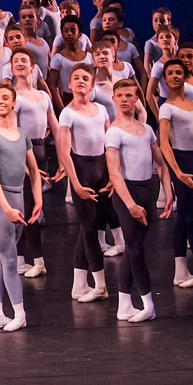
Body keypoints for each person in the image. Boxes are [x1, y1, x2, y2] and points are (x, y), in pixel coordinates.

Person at [0, 84, 41, 331]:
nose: (0, 101)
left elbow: (35, 171)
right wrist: (6, 207)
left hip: (18, 198)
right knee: (9, 260)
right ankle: (20, 313)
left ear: (14, 102)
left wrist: (38, 200)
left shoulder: (22, 133)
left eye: (5, 98)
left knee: (1, 257)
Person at [102, 79, 161, 323]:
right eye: (121, 95)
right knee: (135, 250)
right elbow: (114, 172)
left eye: (130, 95)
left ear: (137, 99)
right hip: (127, 194)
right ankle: (148, 304)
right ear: (114, 99)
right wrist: (130, 204)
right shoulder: (113, 132)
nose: (125, 99)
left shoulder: (146, 129)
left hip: (148, 190)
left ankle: (124, 304)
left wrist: (167, 191)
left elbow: (160, 162)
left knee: (134, 248)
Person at [57, 65, 112, 302]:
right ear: (69, 85)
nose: (80, 81)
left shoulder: (101, 109)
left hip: (102, 172)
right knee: (89, 229)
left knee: (90, 228)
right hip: (82, 172)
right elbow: (64, 153)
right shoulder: (67, 114)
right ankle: (100, 284)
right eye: (76, 78)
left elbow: (110, 145)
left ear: (92, 85)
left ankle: (79, 285)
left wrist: (112, 176)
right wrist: (75, 185)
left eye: (85, 78)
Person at [156, 60, 193, 287]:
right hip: (181, 164)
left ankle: (180, 271)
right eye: (170, 73)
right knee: (190, 218)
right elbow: (164, 144)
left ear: (185, 76)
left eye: (179, 72)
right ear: (166, 79)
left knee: (183, 217)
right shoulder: (166, 108)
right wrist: (177, 173)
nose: (175, 76)